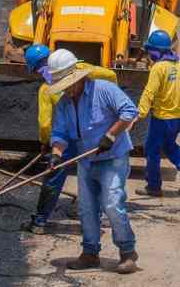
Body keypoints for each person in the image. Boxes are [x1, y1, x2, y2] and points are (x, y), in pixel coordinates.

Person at [49, 49, 139, 274]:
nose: (67, 90)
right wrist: (56, 155)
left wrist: (110, 135)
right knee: (87, 208)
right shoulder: (64, 103)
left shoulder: (104, 89)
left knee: (112, 203)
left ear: (77, 77)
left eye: (69, 84)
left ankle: (127, 252)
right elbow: (60, 134)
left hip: (113, 157)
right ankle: (90, 253)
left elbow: (129, 111)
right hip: (86, 160)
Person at [20, 46, 118, 235]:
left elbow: (45, 124)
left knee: (54, 175)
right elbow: (111, 75)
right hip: (93, 132)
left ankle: (40, 222)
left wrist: (46, 143)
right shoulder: (84, 68)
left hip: (68, 137)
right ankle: (95, 219)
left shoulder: (46, 89)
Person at [136, 30, 180, 197]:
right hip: (179, 117)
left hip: (162, 118)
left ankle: (153, 186)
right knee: (170, 147)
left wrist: (140, 113)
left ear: (155, 51)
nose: (149, 55)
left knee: (152, 149)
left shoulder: (158, 68)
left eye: (150, 51)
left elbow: (149, 92)